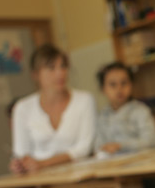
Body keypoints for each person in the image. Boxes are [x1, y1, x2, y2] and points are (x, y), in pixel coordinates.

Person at [10, 44, 96, 174]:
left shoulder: (85, 100)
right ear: (35, 74)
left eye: (63, 66)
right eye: (51, 68)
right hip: (39, 179)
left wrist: (42, 163)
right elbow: (22, 153)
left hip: (80, 175)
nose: (60, 73)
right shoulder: (22, 108)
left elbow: (84, 149)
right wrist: (20, 165)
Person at [94, 62, 155, 157]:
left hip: (141, 161)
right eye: (113, 84)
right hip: (113, 165)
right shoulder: (103, 116)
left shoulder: (140, 111)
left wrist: (121, 145)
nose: (119, 89)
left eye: (124, 83)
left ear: (131, 85)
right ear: (103, 89)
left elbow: (152, 140)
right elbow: (99, 145)